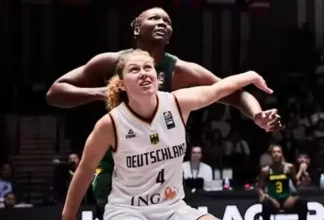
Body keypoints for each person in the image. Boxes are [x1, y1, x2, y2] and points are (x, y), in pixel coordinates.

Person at [46, 7, 280, 215]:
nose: (162, 23)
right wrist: (101, 93)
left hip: (162, 162)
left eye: (167, 21)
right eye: (154, 18)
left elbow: (231, 92)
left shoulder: (180, 72)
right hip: (118, 164)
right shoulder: (111, 64)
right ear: (137, 28)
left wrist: (258, 114)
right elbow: (55, 92)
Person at [61, 49, 269, 220]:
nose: (143, 73)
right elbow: (85, 171)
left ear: (157, 77)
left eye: (147, 67)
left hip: (173, 208)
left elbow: (218, 89)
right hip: (127, 211)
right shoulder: (110, 123)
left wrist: (251, 75)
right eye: (134, 69)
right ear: (122, 83)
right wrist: (67, 218)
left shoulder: (177, 103)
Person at [259, 145, 308, 220]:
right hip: (273, 200)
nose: (276, 154)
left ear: (281, 154)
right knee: (265, 204)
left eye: (278, 152)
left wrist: (303, 182)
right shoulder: (265, 170)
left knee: (302, 202)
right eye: (274, 152)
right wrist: (263, 195)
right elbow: (260, 188)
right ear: (271, 155)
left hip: (286, 199)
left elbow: (295, 184)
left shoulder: (289, 167)